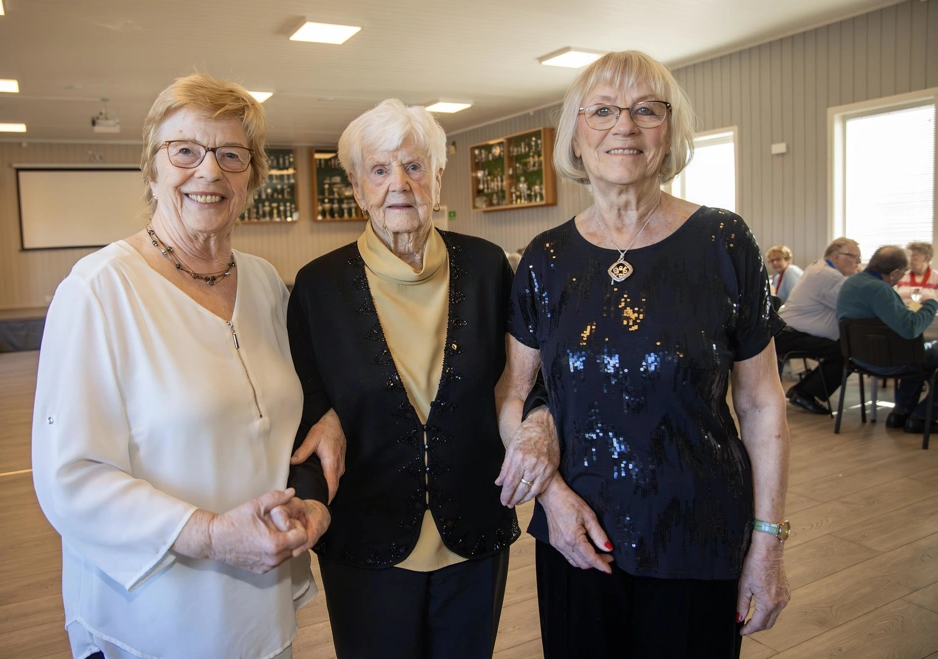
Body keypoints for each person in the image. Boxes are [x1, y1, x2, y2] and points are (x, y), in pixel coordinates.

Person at [31, 73, 337, 659]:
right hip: (153, 617)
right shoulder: (99, 290)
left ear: (251, 176)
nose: (209, 172)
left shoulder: (265, 283)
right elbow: (70, 478)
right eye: (185, 151)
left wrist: (325, 421)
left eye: (231, 155)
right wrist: (212, 535)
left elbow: (278, 410)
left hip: (258, 604)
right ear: (152, 168)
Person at [496, 51, 790, 659]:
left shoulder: (723, 241)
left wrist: (768, 542)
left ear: (671, 132)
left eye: (646, 111)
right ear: (575, 134)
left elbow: (762, 404)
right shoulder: (545, 259)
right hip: (575, 534)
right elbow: (514, 393)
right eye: (601, 110)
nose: (623, 126)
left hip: (698, 534)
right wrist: (549, 492)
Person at [287, 99, 531, 659]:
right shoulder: (317, 287)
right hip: (365, 534)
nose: (398, 184)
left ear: (438, 177)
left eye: (415, 166)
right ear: (355, 186)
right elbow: (303, 396)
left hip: (474, 527)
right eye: (379, 170)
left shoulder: (490, 267)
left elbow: (524, 377)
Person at [837, 245, 938, 432]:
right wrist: (931, 303)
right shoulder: (880, 289)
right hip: (889, 361)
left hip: (859, 358)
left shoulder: (852, 282)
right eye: (902, 274)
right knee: (921, 353)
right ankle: (923, 417)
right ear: (894, 273)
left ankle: (900, 414)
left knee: (918, 353)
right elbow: (910, 328)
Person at [776, 238, 861, 414]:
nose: (858, 262)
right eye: (854, 257)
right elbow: (853, 306)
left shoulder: (821, 268)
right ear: (837, 257)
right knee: (847, 352)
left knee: (844, 349)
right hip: (791, 334)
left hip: (789, 332)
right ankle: (804, 393)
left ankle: (803, 391)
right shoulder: (828, 275)